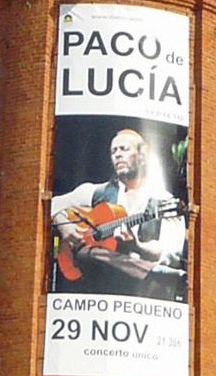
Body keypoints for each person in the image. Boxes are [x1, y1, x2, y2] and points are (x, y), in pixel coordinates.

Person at [50, 127, 186, 298]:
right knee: (88, 253)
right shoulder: (97, 192)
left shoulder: (164, 201)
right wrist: (65, 227)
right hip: (97, 279)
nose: (118, 155)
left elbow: (171, 253)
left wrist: (137, 246)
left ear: (142, 156)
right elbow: (52, 204)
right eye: (114, 151)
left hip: (141, 289)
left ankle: (147, 271)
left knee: (94, 253)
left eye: (124, 149)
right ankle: (157, 274)